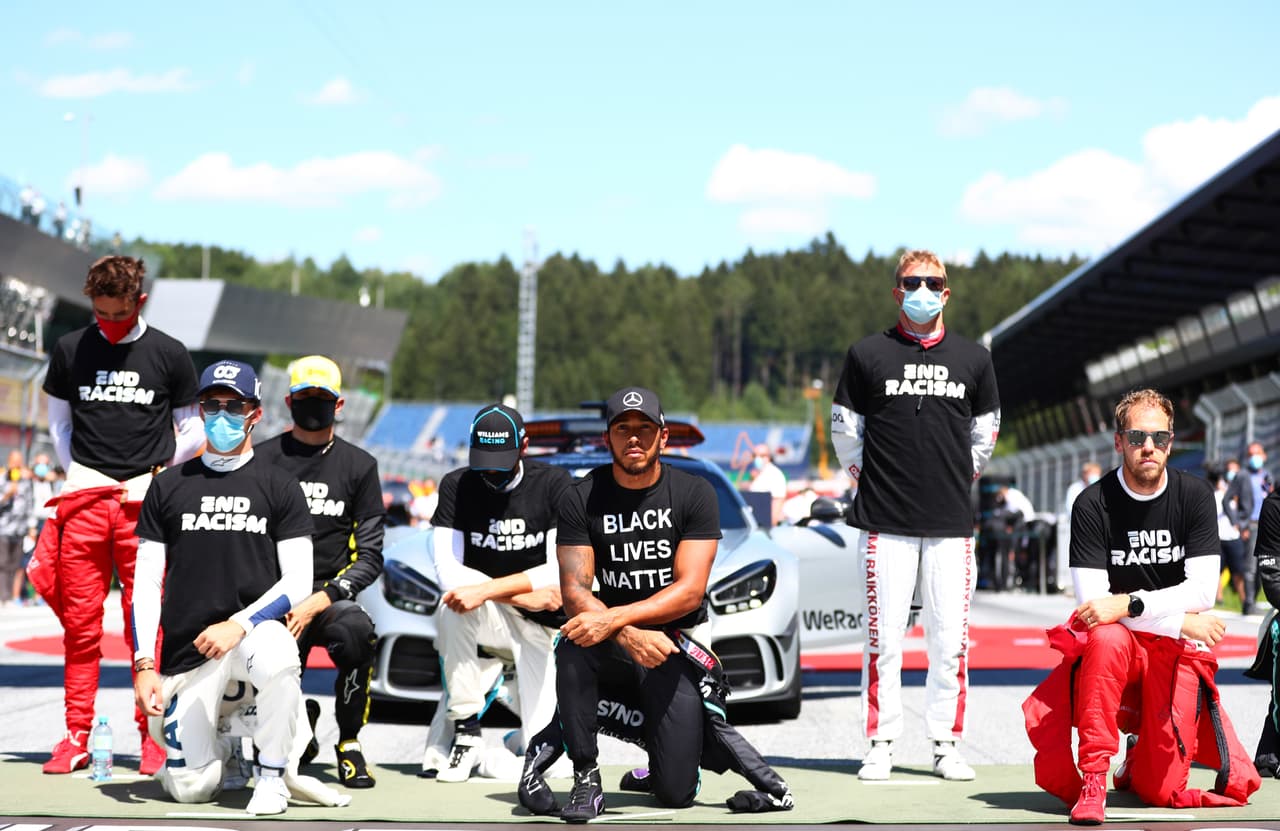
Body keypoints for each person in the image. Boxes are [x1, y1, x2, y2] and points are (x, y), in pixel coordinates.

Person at [1023, 388, 1256, 824]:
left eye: (1159, 437)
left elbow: (1204, 590)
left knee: (1160, 790)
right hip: (1123, 649)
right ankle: (1094, 778)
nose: (1148, 446)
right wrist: (1181, 620)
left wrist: (1131, 604)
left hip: (1171, 652)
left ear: (1171, 441)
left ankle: (1137, 759)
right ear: (1118, 442)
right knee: (1105, 638)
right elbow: (1094, 610)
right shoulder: (1092, 503)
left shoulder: (1196, 495)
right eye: (1136, 437)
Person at [830, 248, 1000, 782]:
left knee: (951, 640)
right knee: (883, 640)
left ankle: (946, 742)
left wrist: (953, 481)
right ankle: (880, 741)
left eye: (932, 283)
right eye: (911, 282)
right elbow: (845, 433)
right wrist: (871, 483)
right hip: (884, 524)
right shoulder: (866, 355)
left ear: (946, 293)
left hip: (951, 527)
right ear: (896, 290)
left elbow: (984, 435)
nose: (922, 291)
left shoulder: (975, 359)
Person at [32, 255, 202, 775]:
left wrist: (153, 474)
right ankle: (75, 735)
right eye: (100, 314)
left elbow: (191, 429)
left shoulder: (169, 354)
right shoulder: (69, 348)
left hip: (143, 507)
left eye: (119, 316)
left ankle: (152, 737)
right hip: (84, 501)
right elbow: (58, 427)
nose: (108, 325)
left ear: (140, 303)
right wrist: (86, 476)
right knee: (80, 629)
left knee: (145, 628)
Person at [131, 360, 321, 814]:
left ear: (255, 412)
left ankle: (272, 776)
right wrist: (142, 664)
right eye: (211, 405)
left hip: (249, 636)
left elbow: (300, 580)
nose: (221, 415)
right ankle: (223, 748)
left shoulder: (280, 486)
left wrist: (239, 624)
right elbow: (146, 581)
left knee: (277, 655)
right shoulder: (168, 485)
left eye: (233, 406)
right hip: (189, 652)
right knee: (192, 789)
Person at [552, 386, 722, 822]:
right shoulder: (579, 498)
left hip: (675, 644)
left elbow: (689, 591)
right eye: (622, 429)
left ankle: (662, 752)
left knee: (676, 794)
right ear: (606, 438)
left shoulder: (694, 493)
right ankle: (586, 777)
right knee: (573, 643)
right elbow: (574, 593)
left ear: (663, 437)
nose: (634, 438)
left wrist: (619, 617)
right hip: (613, 642)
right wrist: (624, 632)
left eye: (645, 429)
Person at [254, 355, 386, 789]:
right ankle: (300, 725)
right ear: (289, 400)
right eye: (305, 397)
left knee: (356, 632)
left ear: (340, 404)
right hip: (272, 596)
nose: (313, 405)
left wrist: (321, 599)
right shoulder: (261, 459)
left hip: (328, 594)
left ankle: (348, 741)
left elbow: (370, 556)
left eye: (322, 398)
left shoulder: (360, 466)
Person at [422, 403, 572, 783]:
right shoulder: (456, 484)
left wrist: (488, 589)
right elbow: (447, 574)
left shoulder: (554, 483)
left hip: (542, 626)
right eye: (483, 461)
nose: (491, 472)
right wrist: (522, 591)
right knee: (452, 607)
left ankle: (518, 739)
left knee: (551, 766)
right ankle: (467, 730)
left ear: (524, 446)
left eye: (500, 461)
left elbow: (558, 575)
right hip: (493, 612)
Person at [1057, 463, 1102, 593]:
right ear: (1084, 474)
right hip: (1081, 529)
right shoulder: (1075, 489)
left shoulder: (1101, 487)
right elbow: (1072, 509)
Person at [1240, 441, 1273, 615]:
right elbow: (1229, 499)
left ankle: (1254, 597)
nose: (1255, 458)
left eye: (1258, 453)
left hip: (1268, 527)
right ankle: (1248, 602)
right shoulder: (1243, 476)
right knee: (1250, 568)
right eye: (1251, 454)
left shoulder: (1268, 476)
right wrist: (1240, 523)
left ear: (1264, 456)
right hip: (1252, 526)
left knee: (1264, 567)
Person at [1, 451, 34, 605]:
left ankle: (14, 596)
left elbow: (29, 505)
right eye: (14, 461)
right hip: (4, 528)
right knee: (3, 563)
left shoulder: (26, 482)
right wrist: (7, 495)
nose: (16, 464)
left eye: (19, 461)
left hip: (20, 529)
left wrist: (31, 526)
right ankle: (4, 596)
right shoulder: (2, 479)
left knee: (17, 564)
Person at [746, 444, 787, 526]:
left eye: (762, 455)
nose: (757, 459)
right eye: (755, 455)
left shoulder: (775, 475)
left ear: (769, 457)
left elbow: (777, 503)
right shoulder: (757, 474)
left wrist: (770, 527)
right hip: (756, 524)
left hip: (766, 527)